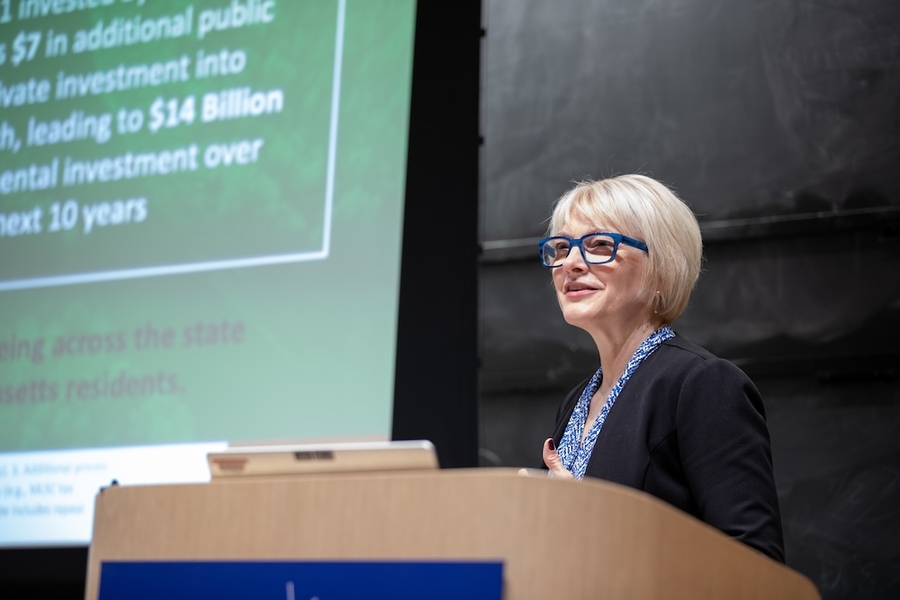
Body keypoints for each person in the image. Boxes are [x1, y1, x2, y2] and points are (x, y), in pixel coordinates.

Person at [536, 174, 785, 562]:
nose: (570, 263)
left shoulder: (703, 384)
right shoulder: (576, 403)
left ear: (660, 265)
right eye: (562, 247)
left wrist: (593, 525)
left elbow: (755, 564)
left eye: (600, 245)